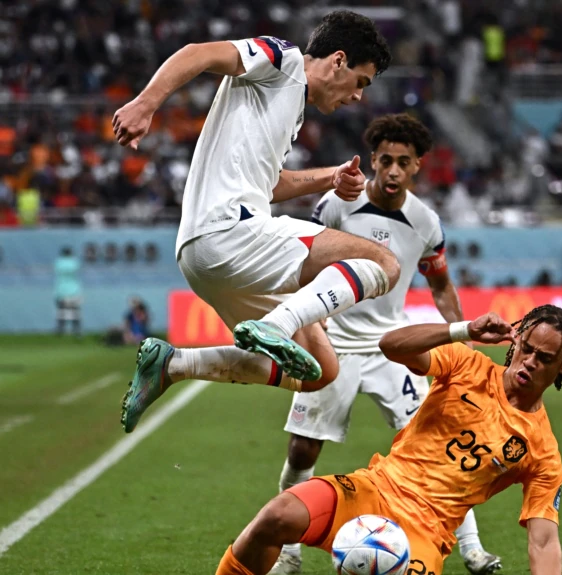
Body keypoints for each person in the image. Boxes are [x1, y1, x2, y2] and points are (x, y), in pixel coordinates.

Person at [114, 11, 402, 433]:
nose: (358, 96)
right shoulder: (282, 60)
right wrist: (146, 103)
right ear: (338, 60)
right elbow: (199, 53)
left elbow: (267, 185)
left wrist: (329, 177)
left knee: (320, 371)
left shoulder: (287, 107)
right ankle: (276, 324)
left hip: (204, 256)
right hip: (231, 232)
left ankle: (172, 364)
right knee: (383, 264)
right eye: (362, 81)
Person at [270, 114, 500, 575]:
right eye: (386, 160)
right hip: (333, 344)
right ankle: (288, 553)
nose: (393, 170)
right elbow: (307, 265)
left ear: (418, 167)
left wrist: (465, 344)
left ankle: (472, 549)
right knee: (303, 450)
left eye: (404, 163)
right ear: (373, 160)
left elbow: (440, 286)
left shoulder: (425, 222)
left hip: (394, 348)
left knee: (439, 445)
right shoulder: (337, 205)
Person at [215, 305, 562, 575]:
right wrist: (462, 330)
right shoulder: (466, 365)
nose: (529, 362)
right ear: (515, 342)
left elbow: (543, 541)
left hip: (425, 534)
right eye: (526, 348)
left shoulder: (541, 450)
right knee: (278, 515)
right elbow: (393, 345)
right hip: (374, 488)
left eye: (545, 358)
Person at [53, 246, 82, 337]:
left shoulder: (58, 262)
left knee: (61, 312)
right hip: (74, 290)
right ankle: (76, 330)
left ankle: (60, 330)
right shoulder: (75, 262)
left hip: (61, 290)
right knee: (75, 312)